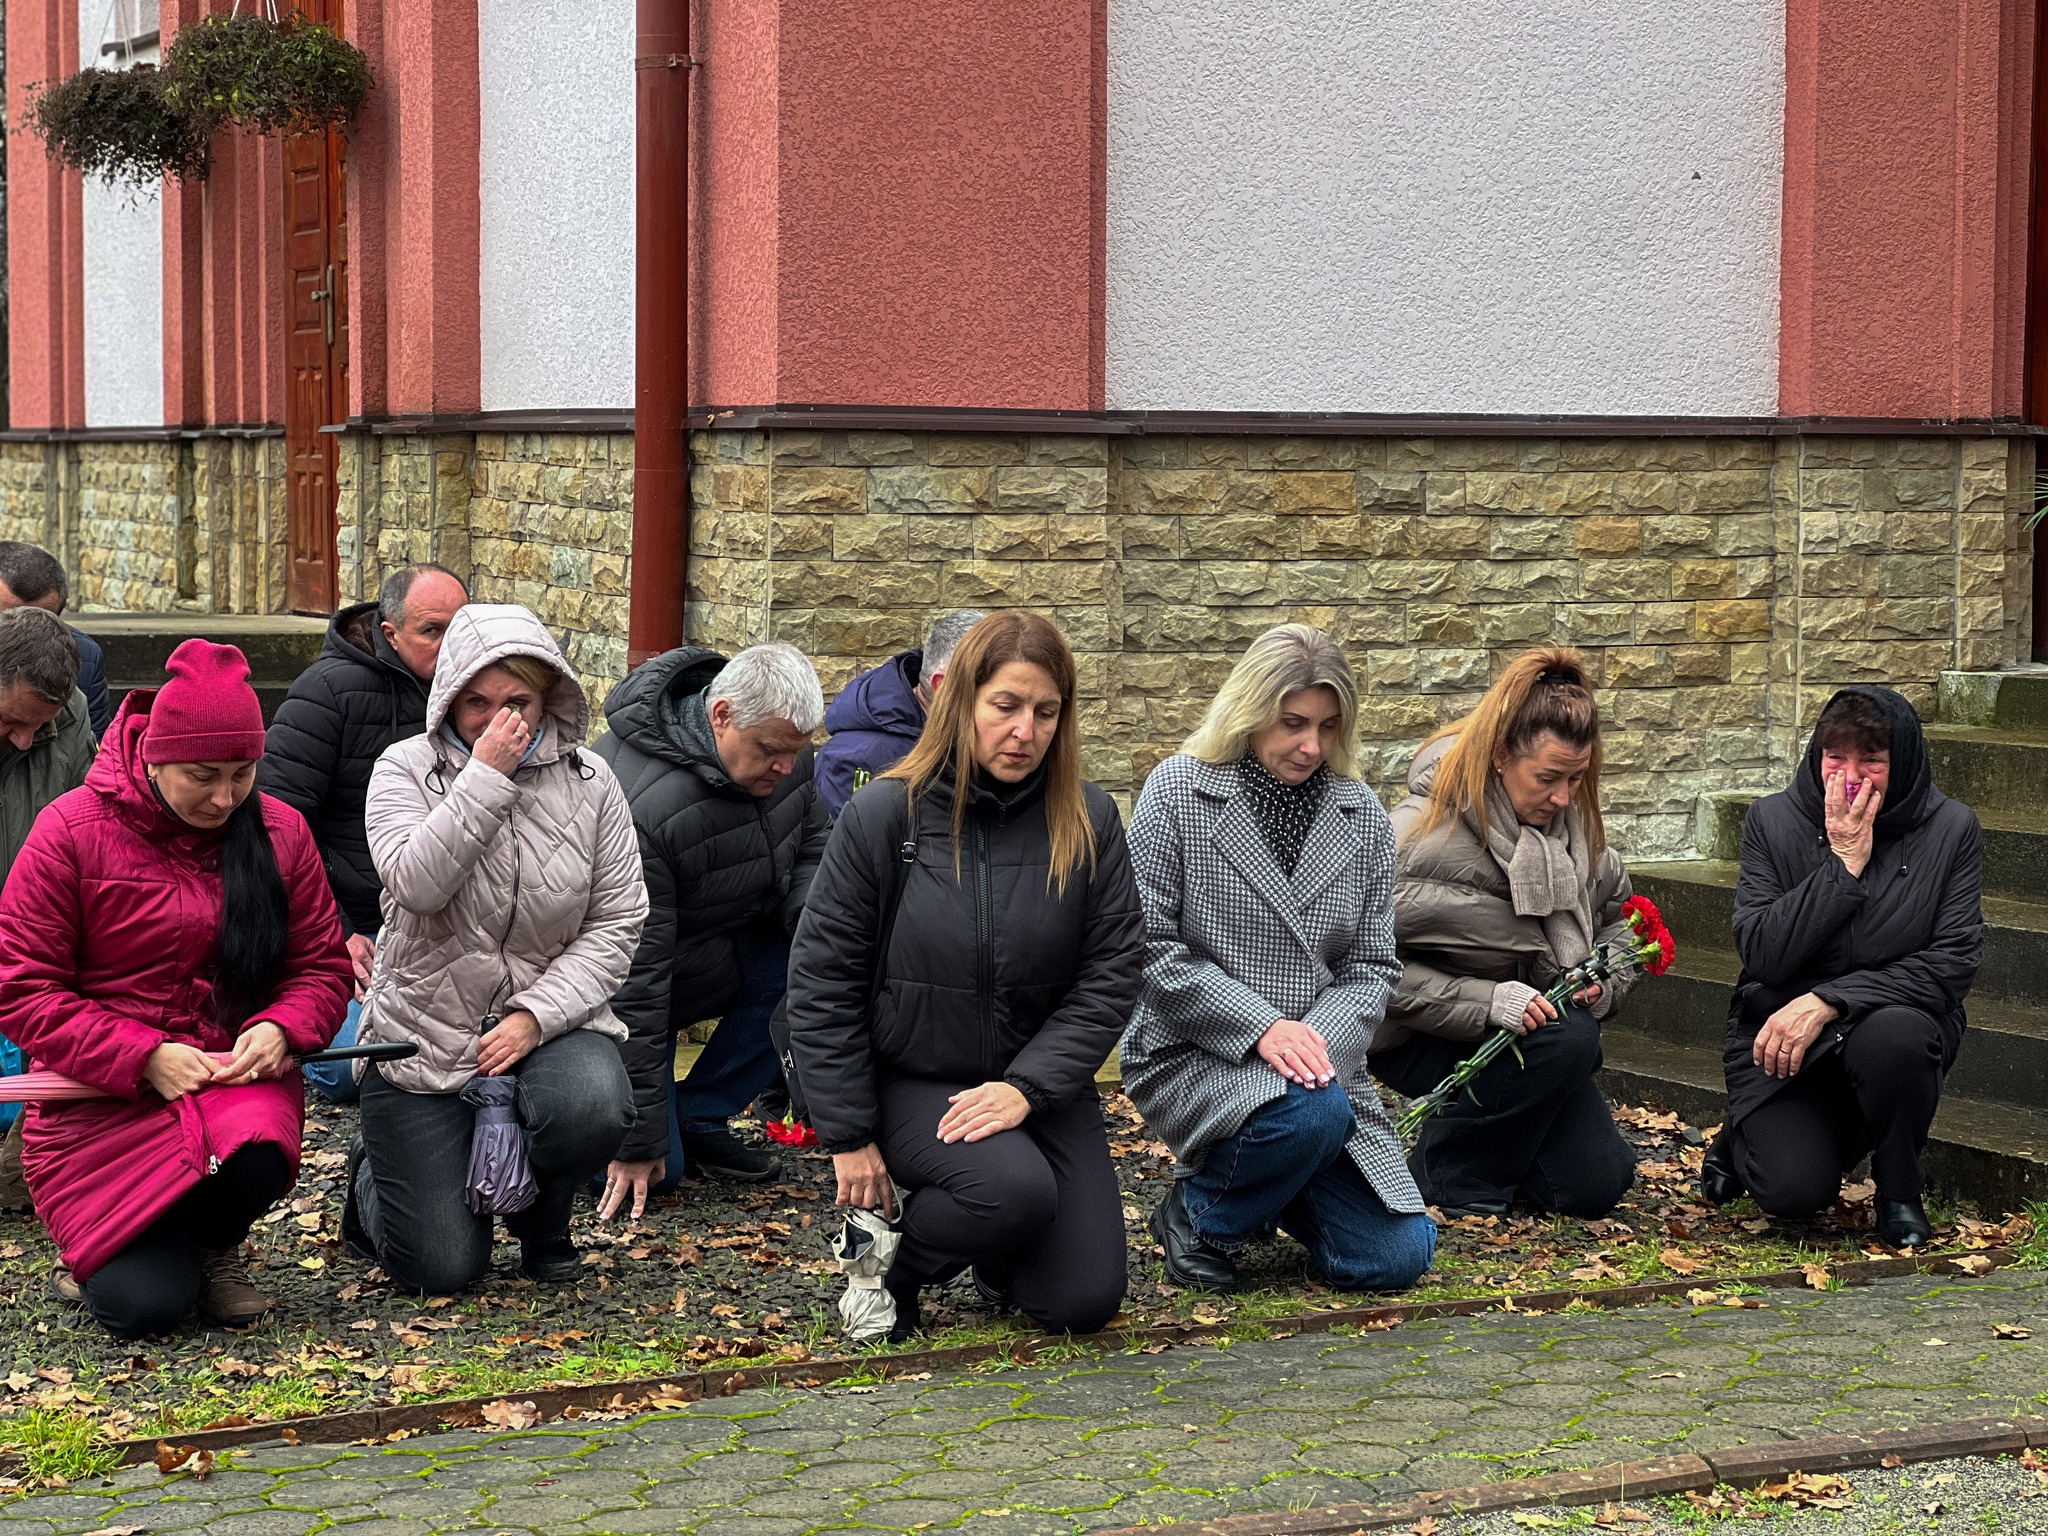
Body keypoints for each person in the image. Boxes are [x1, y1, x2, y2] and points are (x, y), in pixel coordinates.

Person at [786, 610, 1145, 1338]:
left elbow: (1112, 972)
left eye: (1046, 712)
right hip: (912, 1076)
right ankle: (891, 1272)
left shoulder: (1089, 817)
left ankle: (994, 1249)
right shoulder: (885, 815)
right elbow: (822, 980)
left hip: (1035, 1083)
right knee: (1009, 1191)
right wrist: (849, 1133)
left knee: (1082, 1300)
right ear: (961, 704)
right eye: (1005, 707)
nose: (1026, 731)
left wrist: (1026, 1088)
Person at [0, 639, 352, 1337]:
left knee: (256, 1155)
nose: (225, 798)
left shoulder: (282, 833)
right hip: (98, 1100)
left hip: (229, 1086)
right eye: (203, 776)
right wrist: (143, 1056)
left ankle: (211, 1245)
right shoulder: (69, 832)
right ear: (153, 758)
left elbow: (321, 967)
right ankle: (127, 1254)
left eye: (242, 774)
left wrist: (283, 1026)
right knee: (146, 1309)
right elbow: (24, 989)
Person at [1120, 625, 1435, 1294]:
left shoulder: (1363, 818)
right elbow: (1148, 947)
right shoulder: (1177, 792)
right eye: (1292, 723)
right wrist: (1262, 1028)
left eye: (1327, 725)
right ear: (1250, 709)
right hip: (1197, 1046)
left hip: (1319, 1062)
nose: (1311, 745)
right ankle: (1200, 1217)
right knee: (1310, 1115)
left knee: (1397, 1257)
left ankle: (1269, 1178)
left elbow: (1372, 966)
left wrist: (1313, 1040)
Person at [344, 604, 646, 1295]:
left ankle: (544, 1224)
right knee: (444, 1271)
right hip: (423, 1039)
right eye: (476, 702)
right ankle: (373, 1179)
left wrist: (536, 1015)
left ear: (548, 700)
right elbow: (416, 886)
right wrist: (484, 779)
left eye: (517, 701)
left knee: (592, 1103)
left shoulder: (593, 785)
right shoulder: (403, 770)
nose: (496, 718)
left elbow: (619, 921)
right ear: (449, 697)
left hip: (544, 1028)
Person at [1701, 687, 1981, 1250]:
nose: (1851, 778)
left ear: (1900, 763)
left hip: (1885, 1028)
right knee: (1792, 1194)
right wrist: (1843, 863)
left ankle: (1899, 1190)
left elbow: (1952, 963)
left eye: (1871, 761)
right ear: (1815, 754)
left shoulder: (1951, 828)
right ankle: (1744, 1130)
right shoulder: (1772, 820)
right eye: (1836, 758)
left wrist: (1830, 999)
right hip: (1785, 1040)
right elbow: (1762, 954)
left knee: (1896, 1037)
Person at [1371, 648, 1639, 1220]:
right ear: (1499, 757)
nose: (1565, 798)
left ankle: (1483, 1142)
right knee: (1571, 1040)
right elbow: (1361, 971)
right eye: (1548, 778)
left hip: (1536, 1045)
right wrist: (1487, 1001)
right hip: (1429, 1036)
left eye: (1576, 778)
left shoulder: (1575, 834)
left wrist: (1603, 979)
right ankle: (1446, 1173)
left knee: (1593, 1186)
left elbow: (1620, 921)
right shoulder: (1414, 840)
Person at [594, 642, 829, 1209]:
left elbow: (814, 847)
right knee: (660, 1172)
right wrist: (639, 1138)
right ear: (720, 715)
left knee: (822, 957)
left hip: (713, 950)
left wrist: (809, 927)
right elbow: (634, 982)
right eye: (772, 751)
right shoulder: (646, 809)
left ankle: (701, 1112)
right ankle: (576, 1120)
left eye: (797, 752)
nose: (787, 767)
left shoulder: (785, 757)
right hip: (611, 998)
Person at [260, 563, 469, 1101]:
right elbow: (276, 824)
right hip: (353, 919)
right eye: (431, 631)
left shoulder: (481, 693)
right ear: (389, 631)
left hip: (447, 916)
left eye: (459, 627)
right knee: (348, 1067)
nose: (448, 646)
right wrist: (335, 930)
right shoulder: (330, 692)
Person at [0, 607, 96, 1210]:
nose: (27, 740)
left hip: (37, 945)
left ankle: (31, 1152)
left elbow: (96, 827)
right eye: (11, 722)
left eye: (43, 725)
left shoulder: (74, 713)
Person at [815, 609, 986, 818]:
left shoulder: (969, 736)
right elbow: (840, 846)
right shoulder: (857, 759)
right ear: (942, 685)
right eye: (985, 683)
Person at [0, 542, 109, 737]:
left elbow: (95, 757)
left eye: (41, 621)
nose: (23, 638)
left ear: (62, 609)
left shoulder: (85, 657)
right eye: (5, 620)